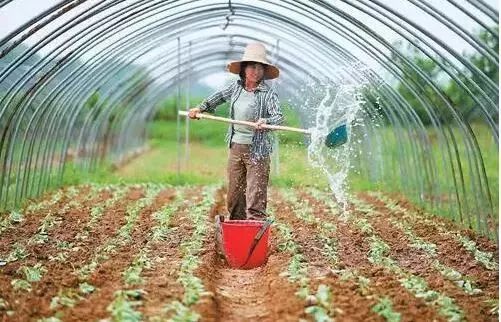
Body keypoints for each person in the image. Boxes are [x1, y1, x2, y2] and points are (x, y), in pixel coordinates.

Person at [188, 42, 283, 221]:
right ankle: (236, 230)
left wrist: (266, 121)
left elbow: (278, 116)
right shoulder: (236, 88)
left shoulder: (268, 94)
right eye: (252, 67)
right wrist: (200, 108)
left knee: (256, 196)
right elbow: (217, 97)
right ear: (244, 69)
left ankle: (255, 234)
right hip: (236, 148)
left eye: (260, 68)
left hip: (258, 151)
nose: (256, 71)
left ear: (264, 72)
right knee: (234, 195)